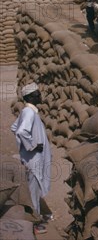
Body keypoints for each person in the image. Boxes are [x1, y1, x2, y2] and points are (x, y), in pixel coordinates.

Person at [11, 83, 52, 235]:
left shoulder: (28, 111)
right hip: (34, 159)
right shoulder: (29, 112)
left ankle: (36, 216)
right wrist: (32, 146)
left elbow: (14, 128)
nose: (40, 96)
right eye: (37, 94)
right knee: (33, 191)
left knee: (34, 189)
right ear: (29, 97)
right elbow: (21, 131)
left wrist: (24, 147)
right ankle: (34, 223)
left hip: (32, 158)